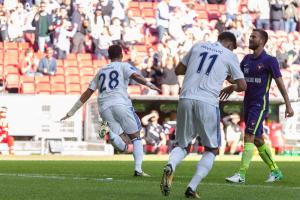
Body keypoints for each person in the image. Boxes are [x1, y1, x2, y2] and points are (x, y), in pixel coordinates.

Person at [160, 32, 247, 198]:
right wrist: (230, 84)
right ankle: (191, 187)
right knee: (212, 149)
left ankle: (171, 164)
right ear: (230, 45)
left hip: (185, 98)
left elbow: (178, 69)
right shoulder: (229, 55)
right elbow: (242, 85)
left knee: (183, 145)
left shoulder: (198, 45)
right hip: (207, 101)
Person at [60, 44, 160, 176]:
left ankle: (113, 135)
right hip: (120, 103)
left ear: (109, 56)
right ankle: (138, 170)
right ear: (121, 55)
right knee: (136, 138)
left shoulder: (101, 71)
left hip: (104, 107)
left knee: (123, 140)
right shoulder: (123, 66)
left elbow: (88, 92)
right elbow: (136, 76)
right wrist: (149, 84)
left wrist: (71, 112)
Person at [223, 29, 294, 184]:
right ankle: (275, 171)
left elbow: (280, 84)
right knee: (258, 140)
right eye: (250, 36)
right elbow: (239, 81)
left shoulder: (270, 60)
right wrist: (229, 82)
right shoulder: (247, 59)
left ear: (262, 41)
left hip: (259, 105)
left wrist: (288, 105)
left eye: (253, 37)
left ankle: (241, 175)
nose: (250, 38)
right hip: (247, 103)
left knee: (248, 135)